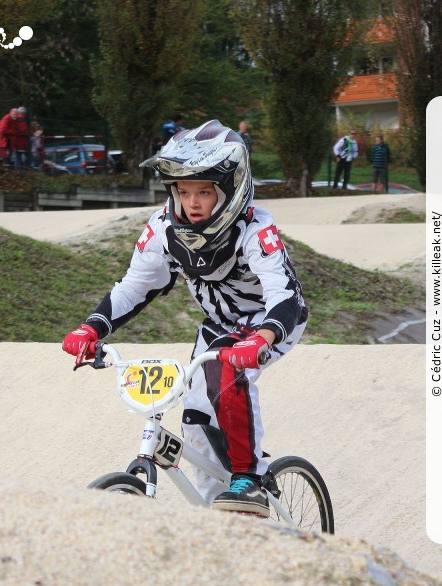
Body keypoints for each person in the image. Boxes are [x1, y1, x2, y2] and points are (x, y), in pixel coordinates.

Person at [62, 120, 307, 517]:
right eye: (183, 191)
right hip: (220, 326)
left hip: (274, 320)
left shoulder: (256, 227)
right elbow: (135, 286)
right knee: (194, 421)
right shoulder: (163, 228)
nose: (192, 202)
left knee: (226, 374)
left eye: (204, 192)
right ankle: (221, 514)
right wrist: (91, 327)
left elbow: (284, 293)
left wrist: (263, 337)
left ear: (230, 190)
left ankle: (251, 479)